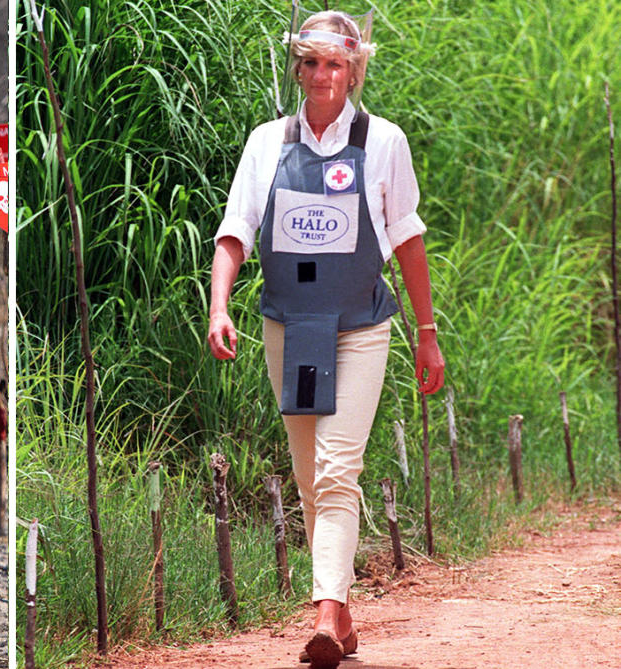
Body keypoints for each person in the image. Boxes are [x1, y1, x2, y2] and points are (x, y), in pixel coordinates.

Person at [207, 9, 445, 668]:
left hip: (361, 327)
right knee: (313, 477)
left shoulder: (383, 142)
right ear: (298, 66)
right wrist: (219, 306)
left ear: (354, 69)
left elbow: (408, 241)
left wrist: (427, 333)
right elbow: (236, 229)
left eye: (334, 63)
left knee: (340, 469)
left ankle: (322, 614)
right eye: (310, 62)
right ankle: (340, 622)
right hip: (290, 326)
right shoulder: (266, 142)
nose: (321, 76)